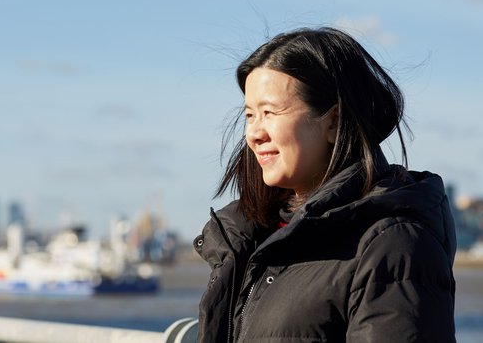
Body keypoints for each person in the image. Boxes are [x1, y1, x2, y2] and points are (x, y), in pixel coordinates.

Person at [193, 27, 456, 343]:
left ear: (334, 121)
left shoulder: (393, 247)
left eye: (269, 112)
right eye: (250, 115)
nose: (254, 133)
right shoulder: (254, 240)